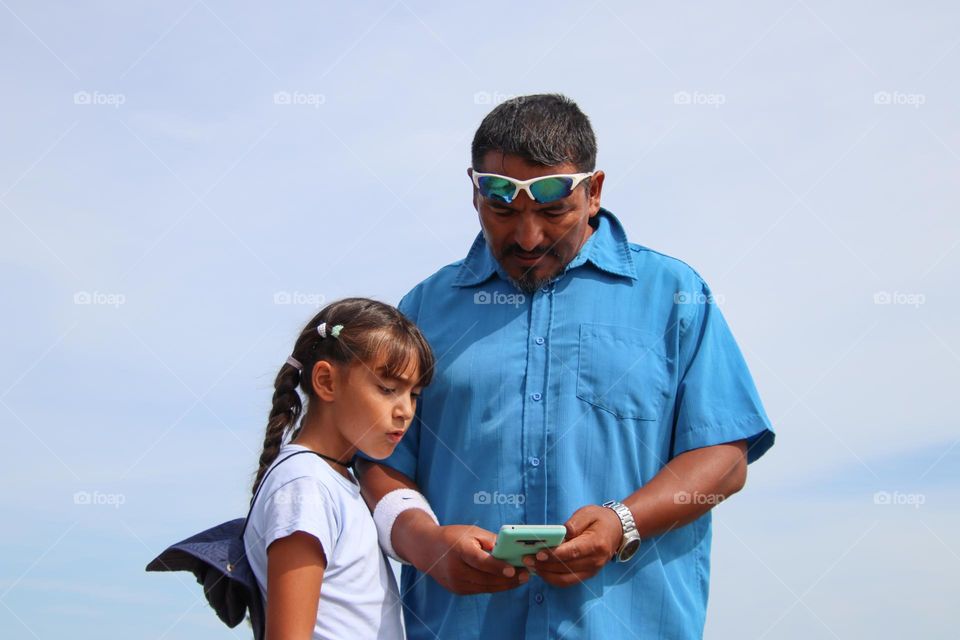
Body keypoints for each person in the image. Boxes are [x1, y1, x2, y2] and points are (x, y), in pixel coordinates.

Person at [357, 94, 776, 639]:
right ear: (475, 192)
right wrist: (422, 542)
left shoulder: (675, 295)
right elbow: (379, 460)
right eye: (503, 211)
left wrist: (623, 522)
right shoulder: (424, 310)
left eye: (552, 211)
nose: (527, 238)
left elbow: (724, 457)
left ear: (593, 191)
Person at [243, 297, 434, 640]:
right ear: (326, 382)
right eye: (388, 389)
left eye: (414, 394)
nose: (405, 410)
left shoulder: (334, 479)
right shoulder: (305, 485)